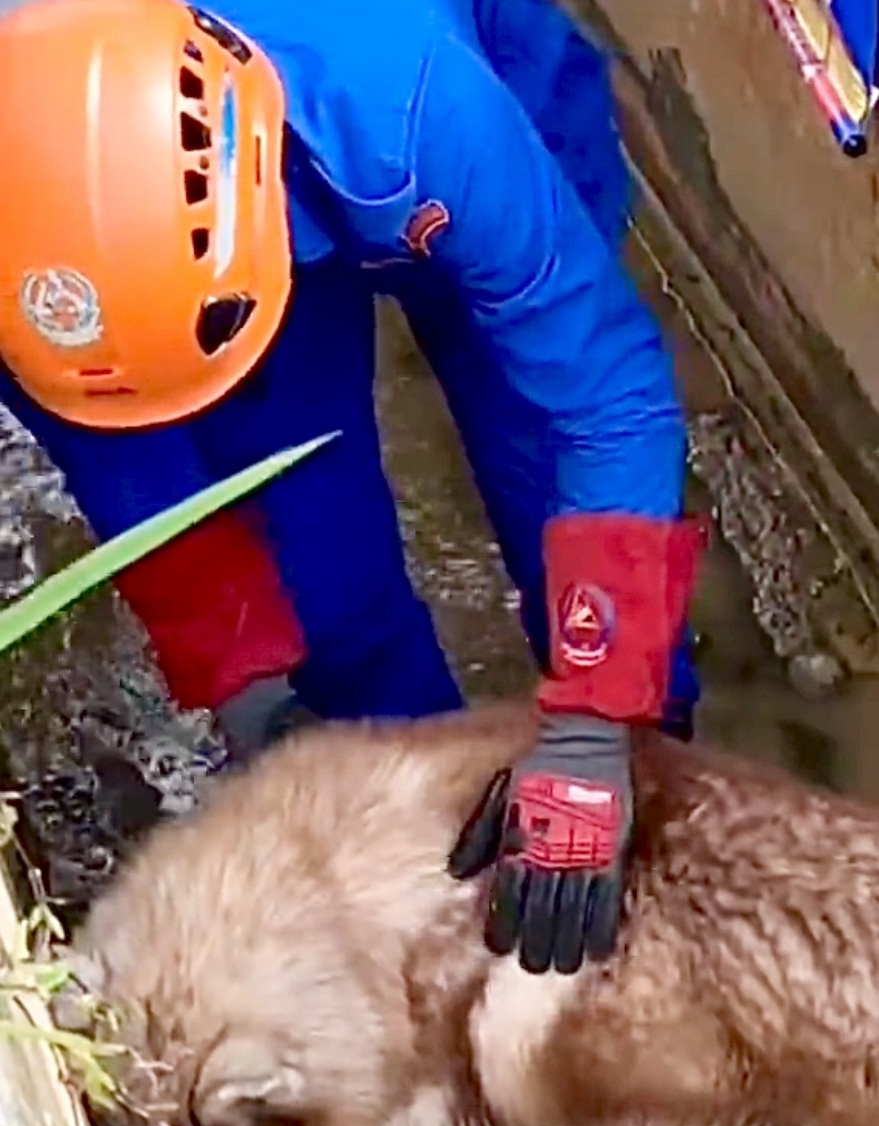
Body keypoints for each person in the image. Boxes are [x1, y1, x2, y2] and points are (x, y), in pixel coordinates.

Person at [0, 0, 705, 975]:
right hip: (178, 238)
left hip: (414, 117)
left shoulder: (414, 96)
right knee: (325, 593)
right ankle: (442, 891)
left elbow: (607, 396)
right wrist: (245, 678)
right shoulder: (31, 228)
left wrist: (596, 723)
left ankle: (654, 801)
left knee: (551, 475)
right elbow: (113, 438)